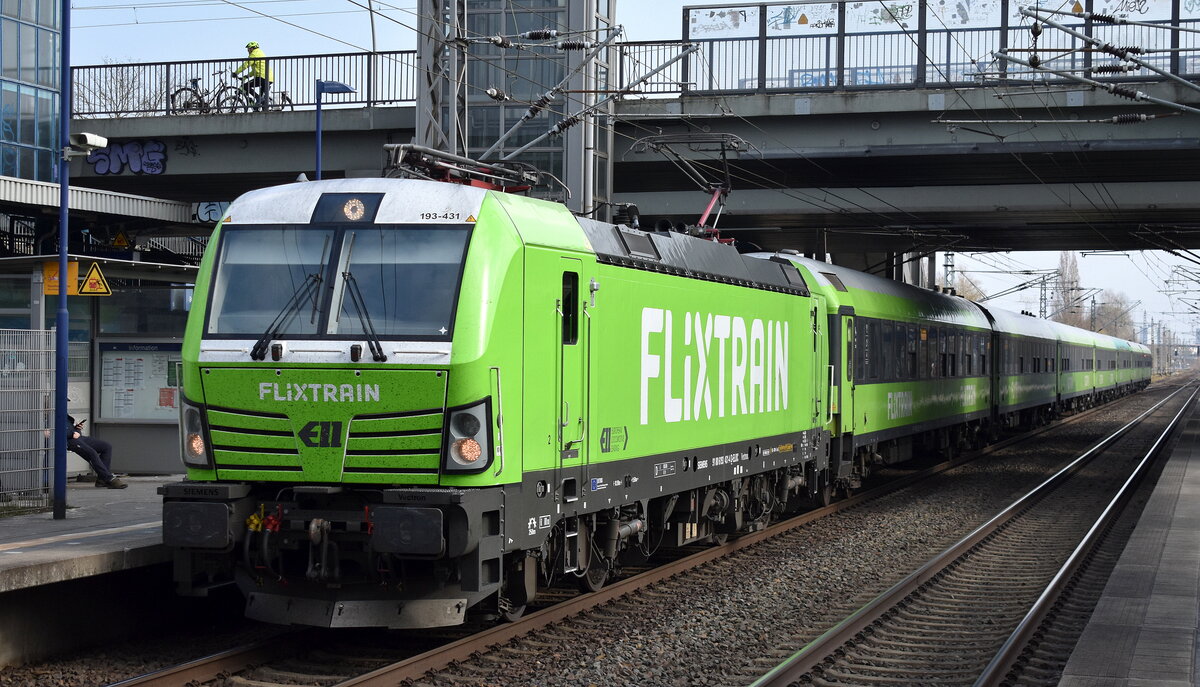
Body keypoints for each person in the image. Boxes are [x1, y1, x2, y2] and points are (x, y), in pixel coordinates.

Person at [66, 416, 127, 489]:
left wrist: (77, 429)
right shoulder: (52, 414)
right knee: (91, 453)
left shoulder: (63, 413)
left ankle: (101, 480)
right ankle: (109, 478)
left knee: (106, 447)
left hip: (77, 437)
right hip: (69, 440)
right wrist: (72, 433)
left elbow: (70, 428)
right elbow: (55, 431)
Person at [233, 41, 274, 111]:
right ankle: (259, 108)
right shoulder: (260, 53)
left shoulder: (254, 54)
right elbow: (255, 71)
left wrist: (236, 72)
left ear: (252, 48)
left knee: (245, 86)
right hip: (268, 78)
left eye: (248, 49)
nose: (248, 50)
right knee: (260, 102)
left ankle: (258, 98)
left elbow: (245, 65)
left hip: (262, 77)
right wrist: (246, 76)